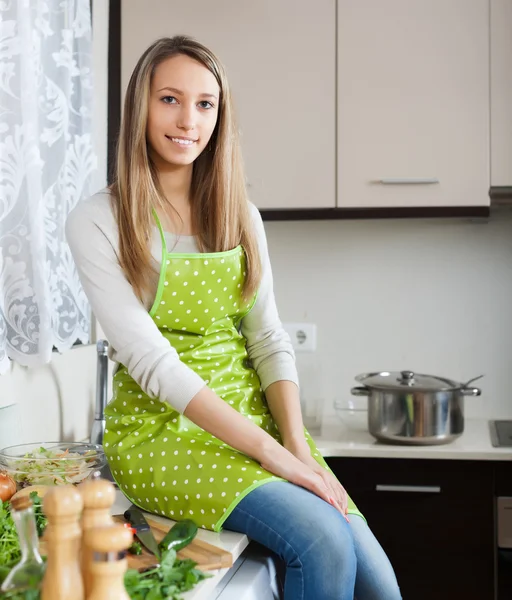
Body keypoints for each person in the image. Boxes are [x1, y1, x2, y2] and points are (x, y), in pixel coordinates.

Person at [66, 35, 401, 600]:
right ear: (140, 106)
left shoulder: (239, 214)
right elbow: (154, 363)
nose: (188, 120)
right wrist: (270, 453)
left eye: (205, 104)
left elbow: (268, 337)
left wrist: (294, 442)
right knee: (321, 540)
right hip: (161, 434)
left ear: (221, 116)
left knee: (380, 585)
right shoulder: (98, 220)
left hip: (256, 420)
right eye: (169, 99)